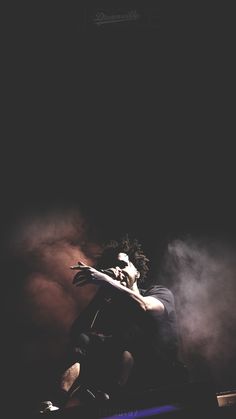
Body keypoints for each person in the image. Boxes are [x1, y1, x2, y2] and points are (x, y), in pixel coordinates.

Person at [55, 234, 188, 409]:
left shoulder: (158, 293)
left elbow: (144, 306)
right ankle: (56, 405)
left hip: (162, 374)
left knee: (129, 346)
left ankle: (111, 399)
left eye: (123, 265)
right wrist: (102, 291)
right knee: (85, 340)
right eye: (113, 267)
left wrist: (107, 281)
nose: (118, 270)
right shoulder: (113, 307)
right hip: (131, 380)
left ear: (137, 272)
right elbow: (76, 333)